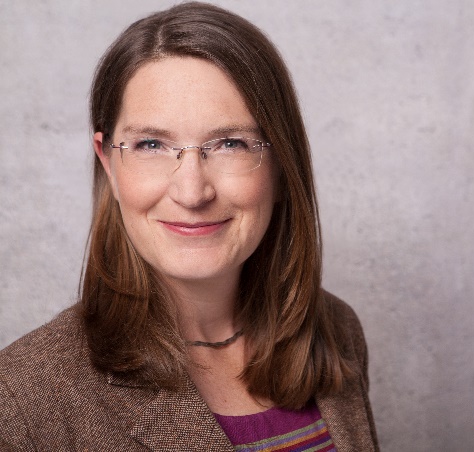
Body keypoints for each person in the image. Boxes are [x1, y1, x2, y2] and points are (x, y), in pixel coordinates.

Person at [0, 3, 379, 450]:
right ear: (109, 164)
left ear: (281, 166)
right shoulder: (22, 399)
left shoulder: (336, 330)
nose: (192, 191)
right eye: (151, 144)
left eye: (230, 143)